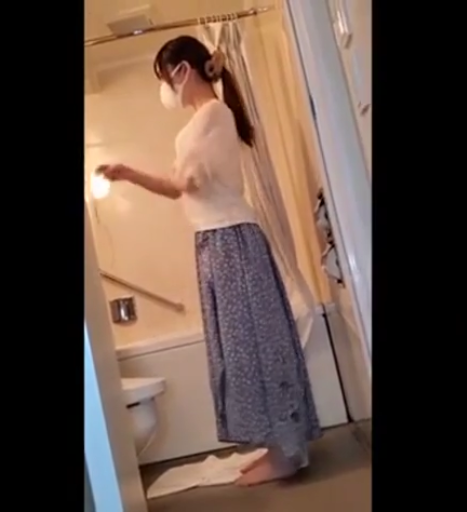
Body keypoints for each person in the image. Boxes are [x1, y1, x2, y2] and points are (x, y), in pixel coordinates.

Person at [96, 35, 322, 487]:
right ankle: (277, 446)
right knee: (244, 348)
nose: (165, 89)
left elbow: (185, 182)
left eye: (164, 77)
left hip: (230, 241)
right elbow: (180, 186)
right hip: (219, 242)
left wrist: (141, 173)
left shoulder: (212, 116)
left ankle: (286, 451)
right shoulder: (203, 122)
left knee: (253, 347)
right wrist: (128, 173)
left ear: (183, 71)